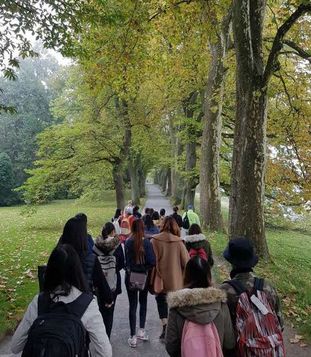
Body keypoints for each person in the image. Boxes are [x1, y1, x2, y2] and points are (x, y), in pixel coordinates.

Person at [11, 244, 112, 357]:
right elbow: (105, 352)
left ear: (49, 271)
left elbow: (15, 347)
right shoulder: (87, 304)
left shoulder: (39, 302)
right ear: (77, 270)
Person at [221, 238, 284, 355]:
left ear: (231, 262)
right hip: (270, 350)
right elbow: (280, 323)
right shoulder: (268, 286)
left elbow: (224, 336)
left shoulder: (224, 291)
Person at [165, 256, 235, 357]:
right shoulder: (220, 304)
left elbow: (171, 347)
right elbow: (229, 343)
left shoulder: (176, 307)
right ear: (209, 276)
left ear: (186, 276)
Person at [58, 217, 113, 308]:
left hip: (60, 303)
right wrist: (108, 299)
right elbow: (101, 282)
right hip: (83, 304)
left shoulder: (58, 256)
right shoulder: (90, 259)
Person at [151, 216, 190, 340]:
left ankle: (165, 326)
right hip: (176, 281)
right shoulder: (179, 242)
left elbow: (152, 260)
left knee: (161, 302)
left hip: (160, 279)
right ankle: (175, 330)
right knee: (175, 306)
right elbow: (186, 262)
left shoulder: (154, 241)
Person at [125, 219, 156, 348]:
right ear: (143, 228)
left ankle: (132, 336)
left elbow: (127, 261)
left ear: (132, 228)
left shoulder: (128, 242)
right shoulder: (146, 243)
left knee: (132, 306)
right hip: (143, 276)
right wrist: (145, 268)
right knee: (143, 303)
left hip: (131, 276)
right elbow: (152, 261)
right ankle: (141, 331)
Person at [93, 222, 125, 338]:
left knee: (100, 310)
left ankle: (99, 336)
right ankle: (107, 337)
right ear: (112, 232)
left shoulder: (96, 246)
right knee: (110, 312)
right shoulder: (116, 246)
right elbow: (121, 264)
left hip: (99, 283)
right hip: (113, 283)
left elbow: (93, 263)